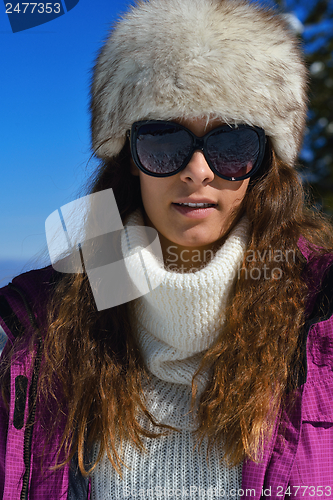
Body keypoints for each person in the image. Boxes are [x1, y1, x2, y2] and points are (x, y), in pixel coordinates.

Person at [1, 0, 333, 498]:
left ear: (264, 164)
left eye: (233, 145)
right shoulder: (39, 332)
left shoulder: (321, 319)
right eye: (162, 140)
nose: (198, 170)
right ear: (130, 158)